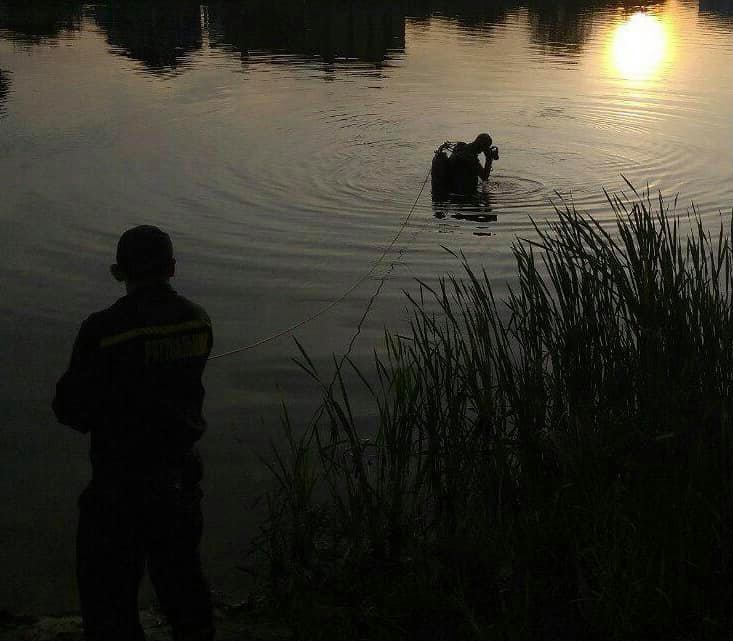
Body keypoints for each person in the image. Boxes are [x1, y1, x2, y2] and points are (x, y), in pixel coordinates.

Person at [53, 225, 215, 641]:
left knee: (109, 599)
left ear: (118, 272)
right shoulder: (198, 320)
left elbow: (71, 411)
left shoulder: (103, 329)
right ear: (173, 269)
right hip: (181, 482)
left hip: (119, 487)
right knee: (183, 586)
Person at [431, 132, 498, 197]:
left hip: (450, 187)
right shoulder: (470, 158)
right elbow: (484, 177)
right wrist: (489, 159)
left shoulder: (460, 147)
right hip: (461, 193)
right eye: (486, 147)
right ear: (483, 147)